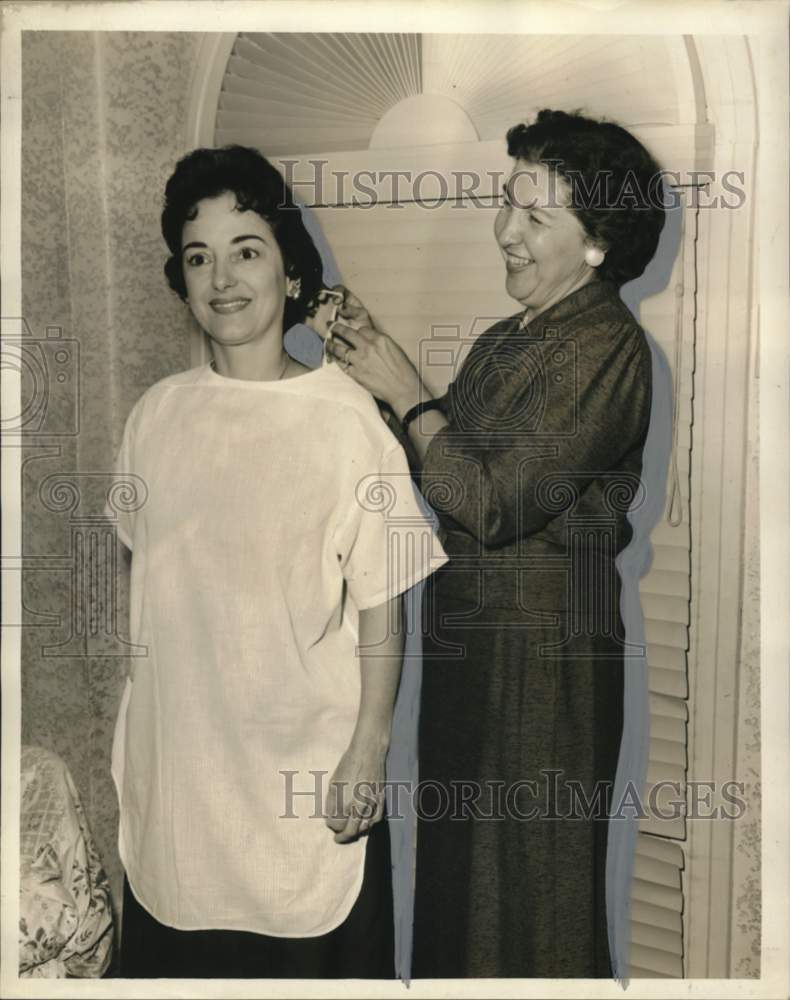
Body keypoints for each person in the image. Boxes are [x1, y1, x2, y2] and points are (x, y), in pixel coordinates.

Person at [325, 109, 667, 978]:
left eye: (536, 215)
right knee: (461, 897)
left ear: (597, 243)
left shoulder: (609, 346)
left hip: (546, 668)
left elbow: (491, 501)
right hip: (475, 657)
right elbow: (444, 471)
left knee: (532, 907)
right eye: (507, 203)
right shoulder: (504, 341)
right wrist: (371, 364)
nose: (505, 230)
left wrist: (408, 391)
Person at [108, 145, 447, 979]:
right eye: (199, 258)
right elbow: (152, 594)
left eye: (247, 251)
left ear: (291, 274)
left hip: (303, 783)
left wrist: (368, 749)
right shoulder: (155, 417)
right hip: (182, 790)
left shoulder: (347, 419)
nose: (222, 279)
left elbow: (384, 604)